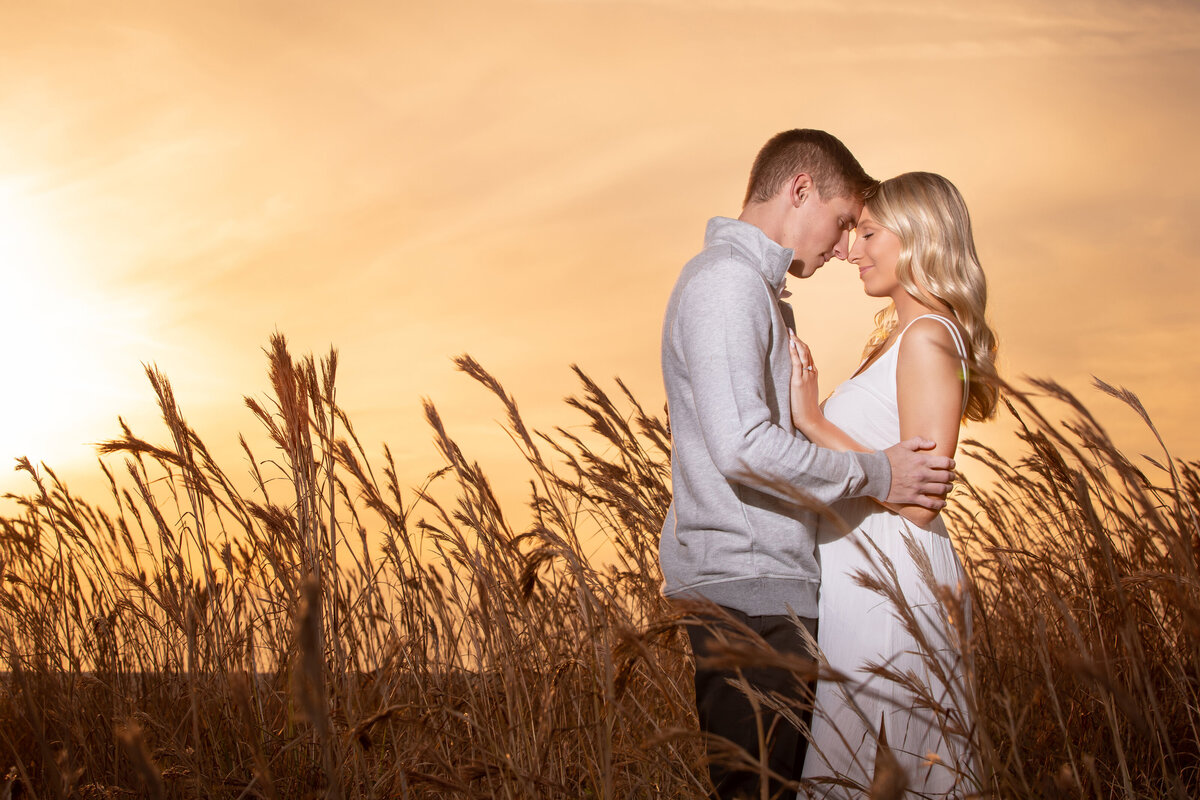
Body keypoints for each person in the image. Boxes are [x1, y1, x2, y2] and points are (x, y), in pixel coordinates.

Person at [659, 130, 957, 800]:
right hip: (751, 592)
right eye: (844, 219)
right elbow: (743, 448)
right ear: (801, 190)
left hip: (766, 588)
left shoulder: (749, 290)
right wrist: (880, 474)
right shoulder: (726, 284)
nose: (844, 243)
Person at [788, 172, 998, 797]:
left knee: (892, 768)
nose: (852, 250)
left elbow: (923, 503)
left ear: (919, 237)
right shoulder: (900, 340)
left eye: (869, 233)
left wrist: (814, 420)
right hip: (864, 581)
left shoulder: (930, 338)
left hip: (892, 586)